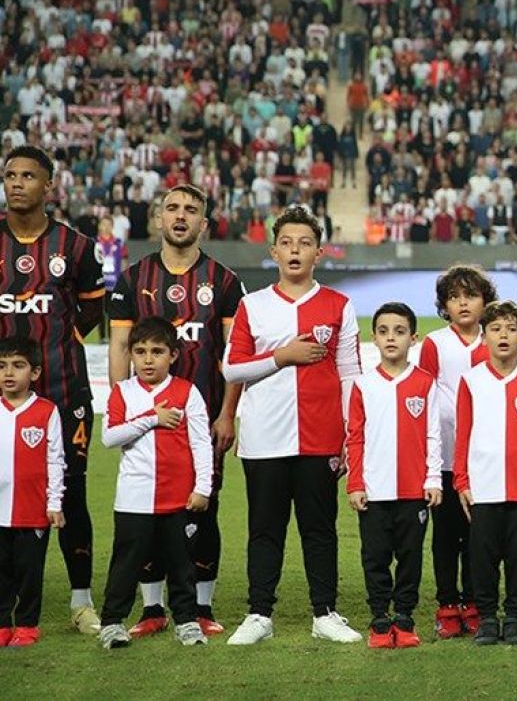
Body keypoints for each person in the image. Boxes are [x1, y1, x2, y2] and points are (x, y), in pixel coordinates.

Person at [107, 184, 245, 637]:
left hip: (201, 423)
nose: (180, 216)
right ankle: (152, 608)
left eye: (191, 210)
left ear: (204, 223)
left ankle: (201, 606)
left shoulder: (223, 282)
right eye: (172, 208)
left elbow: (233, 356)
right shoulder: (133, 279)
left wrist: (227, 414)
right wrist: (121, 410)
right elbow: (120, 348)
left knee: (202, 507)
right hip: (145, 426)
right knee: (146, 511)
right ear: (159, 219)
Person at [223, 205, 363, 646]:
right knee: (265, 529)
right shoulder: (253, 305)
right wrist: (282, 356)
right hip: (264, 439)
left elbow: (351, 376)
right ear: (274, 252)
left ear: (319, 252)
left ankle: (325, 613)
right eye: (287, 243)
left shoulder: (339, 305)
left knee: (319, 530)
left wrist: (349, 436)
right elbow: (231, 369)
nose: (295, 250)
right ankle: (259, 613)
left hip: (321, 439)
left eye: (304, 243)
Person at [0, 145, 104, 634]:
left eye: (28, 176)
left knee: (72, 495)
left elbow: (91, 309)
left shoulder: (76, 247)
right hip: (2, 399)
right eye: (10, 175)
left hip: (64, 394)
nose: (17, 183)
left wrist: (60, 345)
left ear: (48, 186)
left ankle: (81, 602)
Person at [97, 317, 213, 649]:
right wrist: (152, 418)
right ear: (130, 355)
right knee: (126, 563)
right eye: (140, 351)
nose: (148, 359)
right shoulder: (123, 392)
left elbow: (201, 443)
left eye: (157, 351)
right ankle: (112, 622)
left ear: (173, 355)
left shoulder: (187, 391)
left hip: (178, 498)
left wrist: (202, 487)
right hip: (134, 497)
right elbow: (109, 437)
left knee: (181, 564)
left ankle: (187, 621)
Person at [454, 301, 517, 646]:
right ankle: (485, 619)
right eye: (495, 329)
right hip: (482, 487)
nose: (504, 336)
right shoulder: (471, 380)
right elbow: (463, 434)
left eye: (512, 329)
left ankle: (514, 617)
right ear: (483, 337)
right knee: (481, 558)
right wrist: (462, 481)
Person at [345, 302, 443, 649]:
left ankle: (404, 615)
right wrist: (355, 483)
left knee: (410, 556)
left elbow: (433, 433)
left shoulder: (425, 383)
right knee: (375, 556)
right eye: (384, 331)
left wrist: (433, 479)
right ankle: (379, 617)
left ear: (413, 338)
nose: (391, 338)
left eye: (399, 332)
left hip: (413, 490)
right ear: (375, 337)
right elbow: (354, 437)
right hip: (374, 490)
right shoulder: (364, 385)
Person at [417, 264, 497, 639]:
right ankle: (448, 603)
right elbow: (425, 397)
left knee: (480, 536)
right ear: (444, 305)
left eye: (471, 295)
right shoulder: (436, 343)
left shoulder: (496, 339)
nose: (463, 303)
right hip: (447, 457)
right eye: (454, 297)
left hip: (487, 459)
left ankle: (478, 602)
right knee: (447, 535)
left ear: (486, 301)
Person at [0, 335, 66, 648]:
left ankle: (27, 624)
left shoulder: (46, 411)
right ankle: (2, 624)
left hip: (32, 509)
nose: (8, 373)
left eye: (18, 366)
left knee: (29, 572)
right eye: (1, 366)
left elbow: (55, 459)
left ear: (35, 373)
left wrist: (55, 503)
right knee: (1, 572)